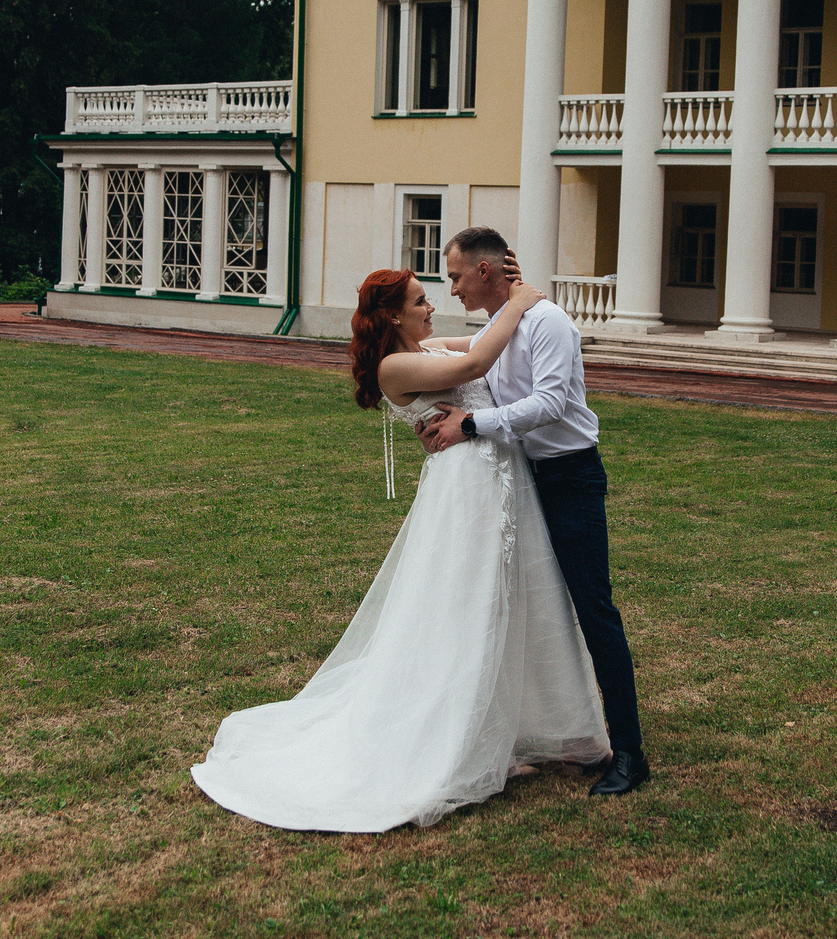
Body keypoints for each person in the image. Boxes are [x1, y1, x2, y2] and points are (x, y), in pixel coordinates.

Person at [190, 267, 610, 833]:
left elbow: (484, 344)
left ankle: (533, 725)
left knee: (517, 598)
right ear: (393, 315)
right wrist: (522, 301)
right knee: (469, 607)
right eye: (420, 300)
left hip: (501, 480)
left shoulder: (427, 346)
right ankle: (455, 740)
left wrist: (515, 306)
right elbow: (474, 365)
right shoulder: (396, 365)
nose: (433, 305)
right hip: (467, 490)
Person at [416, 226, 649, 797]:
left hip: (569, 477)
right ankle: (541, 731)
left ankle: (630, 755)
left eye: (456, 276)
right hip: (519, 479)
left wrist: (468, 424)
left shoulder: (548, 323)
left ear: (486, 271)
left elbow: (550, 404)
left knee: (594, 610)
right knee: (523, 607)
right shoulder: (495, 329)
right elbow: (467, 364)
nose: (452, 290)